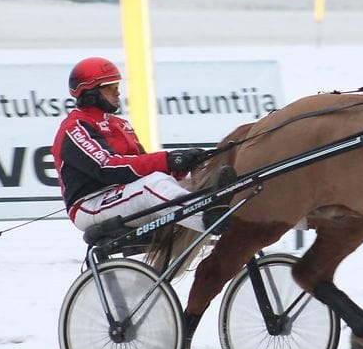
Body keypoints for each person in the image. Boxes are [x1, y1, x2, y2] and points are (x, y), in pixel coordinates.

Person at [52, 56, 232, 237]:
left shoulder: (120, 124)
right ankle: (208, 219)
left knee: (185, 182)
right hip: (89, 204)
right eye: (109, 88)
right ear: (89, 93)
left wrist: (181, 165)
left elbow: (142, 165)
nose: (117, 93)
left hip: (124, 196)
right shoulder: (74, 128)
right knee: (151, 186)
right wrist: (168, 160)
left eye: (117, 87)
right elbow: (108, 167)